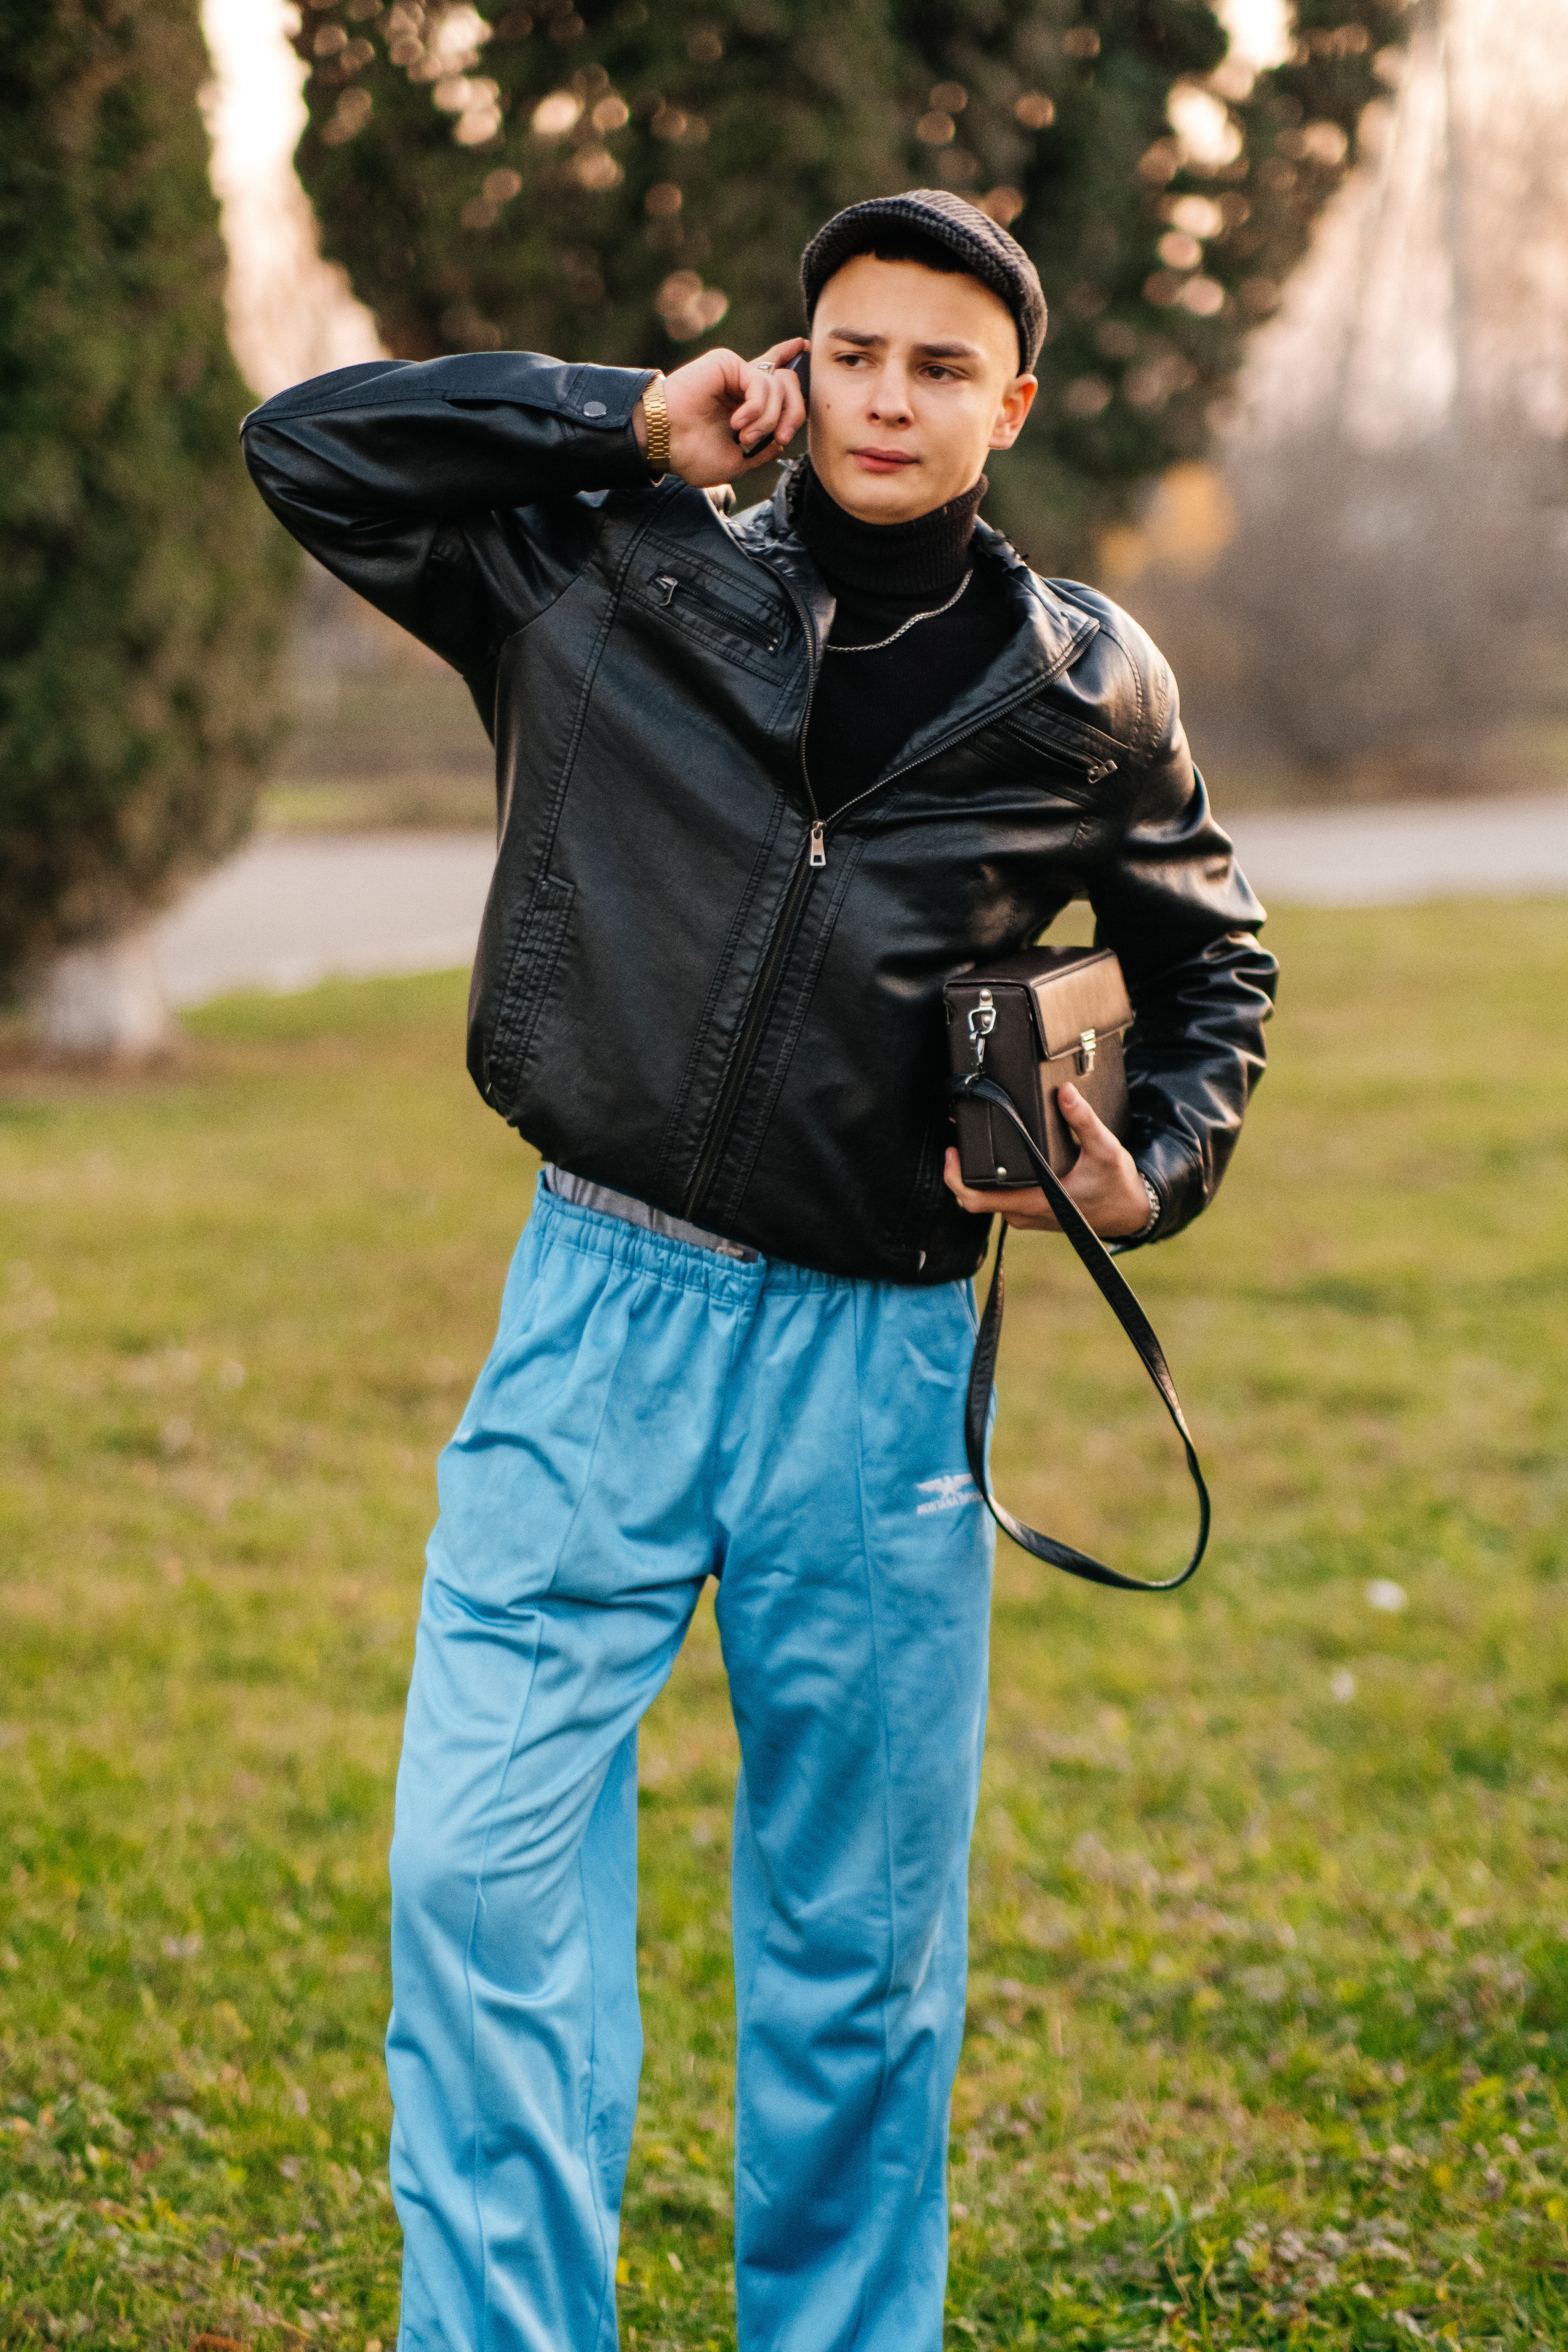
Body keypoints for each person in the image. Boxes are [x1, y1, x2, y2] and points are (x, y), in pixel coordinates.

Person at [243, 187, 1275, 2352]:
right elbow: (312, 447)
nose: (889, 398)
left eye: (939, 364)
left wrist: (1145, 1163)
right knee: (474, 1879)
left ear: (1013, 399)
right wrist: (626, 420)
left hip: (884, 1373)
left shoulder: (1089, 689)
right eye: (854, 351)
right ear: (794, 371)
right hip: (594, 1317)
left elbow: (1215, 971)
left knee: (860, 1958)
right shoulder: (605, 574)